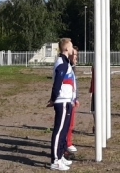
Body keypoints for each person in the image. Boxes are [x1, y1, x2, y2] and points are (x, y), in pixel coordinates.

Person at [48, 38, 76, 171]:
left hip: (67, 100)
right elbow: (57, 82)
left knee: (64, 131)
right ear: (66, 49)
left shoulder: (66, 63)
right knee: (59, 131)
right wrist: (53, 98)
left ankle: (60, 156)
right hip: (62, 101)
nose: (72, 49)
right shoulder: (62, 63)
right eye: (70, 47)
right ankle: (55, 160)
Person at [65, 47, 79, 154]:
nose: (76, 58)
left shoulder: (72, 67)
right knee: (67, 124)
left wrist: (76, 97)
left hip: (72, 99)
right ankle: (66, 144)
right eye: (75, 55)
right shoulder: (66, 67)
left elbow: (74, 84)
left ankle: (68, 142)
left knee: (71, 124)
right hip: (67, 100)